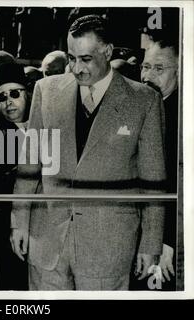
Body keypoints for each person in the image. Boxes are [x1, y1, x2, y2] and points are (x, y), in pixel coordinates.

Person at [10, 15, 166, 290]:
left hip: (108, 250)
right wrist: (19, 221)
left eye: (86, 59)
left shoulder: (144, 101)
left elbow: (153, 183)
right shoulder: (46, 91)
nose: (77, 68)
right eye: (72, 58)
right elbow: (29, 164)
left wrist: (150, 244)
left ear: (107, 51)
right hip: (46, 243)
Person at [0, 62, 30, 290]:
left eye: (14, 93)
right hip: (8, 231)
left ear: (28, 92)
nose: (8, 101)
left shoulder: (46, 128)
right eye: (1, 97)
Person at [140, 39, 179, 290]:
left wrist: (168, 241)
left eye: (159, 69)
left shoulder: (181, 120)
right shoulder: (138, 107)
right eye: (145, 67)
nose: (148, 76)